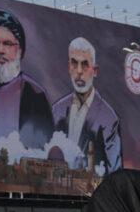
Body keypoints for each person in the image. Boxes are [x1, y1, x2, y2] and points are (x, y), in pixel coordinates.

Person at [0, 9, 54, 150]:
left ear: (20, 50)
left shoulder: (36, 96)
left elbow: (44, 152)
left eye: (7, 43)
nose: (0, 50)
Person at [51, 38, 122, 174]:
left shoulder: (108, 119)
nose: (79, 71)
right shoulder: (57, 111)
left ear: (95, 71)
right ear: (68, 67)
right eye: (74, 63)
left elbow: (115, 173)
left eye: (84, 65)